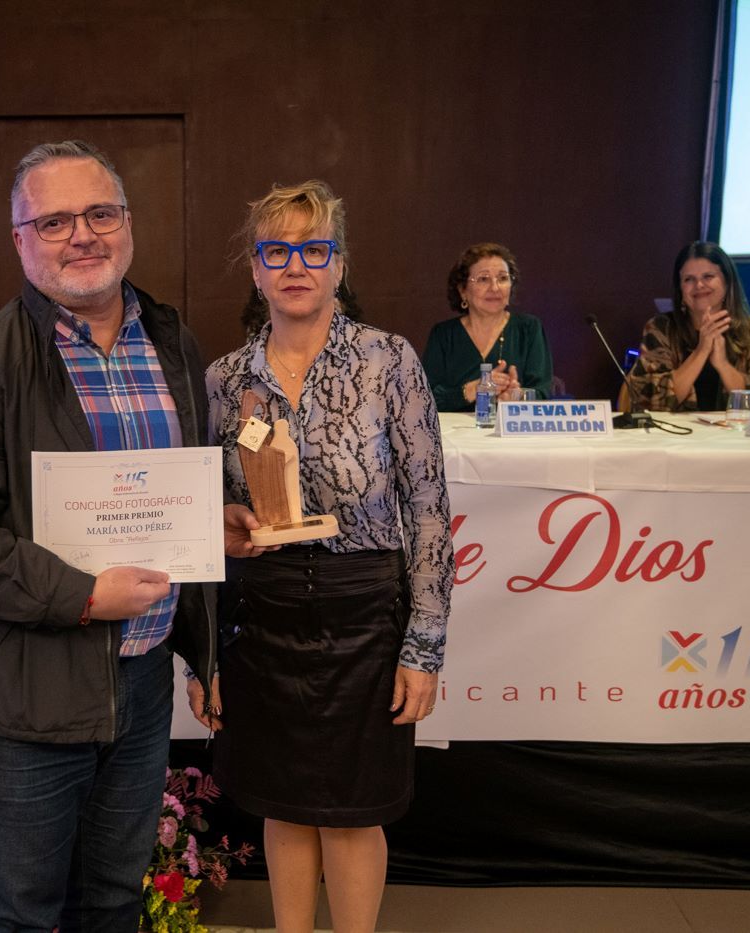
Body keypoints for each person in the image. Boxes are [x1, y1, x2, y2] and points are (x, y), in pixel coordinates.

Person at [0, 140, 215, 928]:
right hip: (24, 697)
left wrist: (216, 553)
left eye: (100, 213)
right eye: (55, 220)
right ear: (20, 239)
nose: (83, 235)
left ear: (128, 225)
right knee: (21, 912)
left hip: (140, 687)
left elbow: (179, 504)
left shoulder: (172, 342)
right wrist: (82, 596)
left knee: (112, 902)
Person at [197, 180, 453, 933]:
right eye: (277, 250)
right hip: (263, 612)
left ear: (339, 264)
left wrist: (425, 646)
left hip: (365, 612)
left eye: (315, 248)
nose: (296, 265)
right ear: (255, 267)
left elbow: (430, 510)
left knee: (349, 810)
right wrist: (203, 651)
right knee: (284, 802)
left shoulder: (389, 361)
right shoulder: (224, 380)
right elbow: (203, 521)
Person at [631, 240, 750, 411]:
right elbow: (651, 403)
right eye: (689, 279)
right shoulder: (661, 329)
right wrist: (701, 351)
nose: (699, 285)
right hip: (674, 435)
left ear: (727, 282)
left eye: (708, 277)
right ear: (680, 289)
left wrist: (723, 365)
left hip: (734, 435)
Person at [422, 242, 553, 412]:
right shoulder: (444, 335)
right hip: (454, 436)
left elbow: (542, 392)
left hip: (511, 435)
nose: (495, 287)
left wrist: (516, 396)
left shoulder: (528, 329)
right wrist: (471, 390)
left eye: (503, 278)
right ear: (463, 290)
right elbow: (424, 399)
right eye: (483, 279)